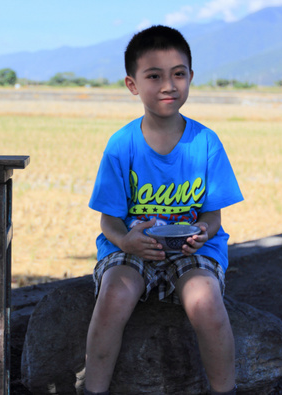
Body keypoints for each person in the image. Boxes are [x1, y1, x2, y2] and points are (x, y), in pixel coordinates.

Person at [84, 25, 243, 395]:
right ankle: (92, 389)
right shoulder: (122, 145)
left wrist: (202, 232)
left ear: (190, 77)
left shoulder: (206, 142)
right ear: (133, 85)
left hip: (193, 249)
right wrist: (125, 242)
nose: (168, 85)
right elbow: (108, 219)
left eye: (178, 74)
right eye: (154, 76)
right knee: (113, 298)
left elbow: (212, 215)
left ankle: (225, 390)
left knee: (206, 303)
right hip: (132, 248)